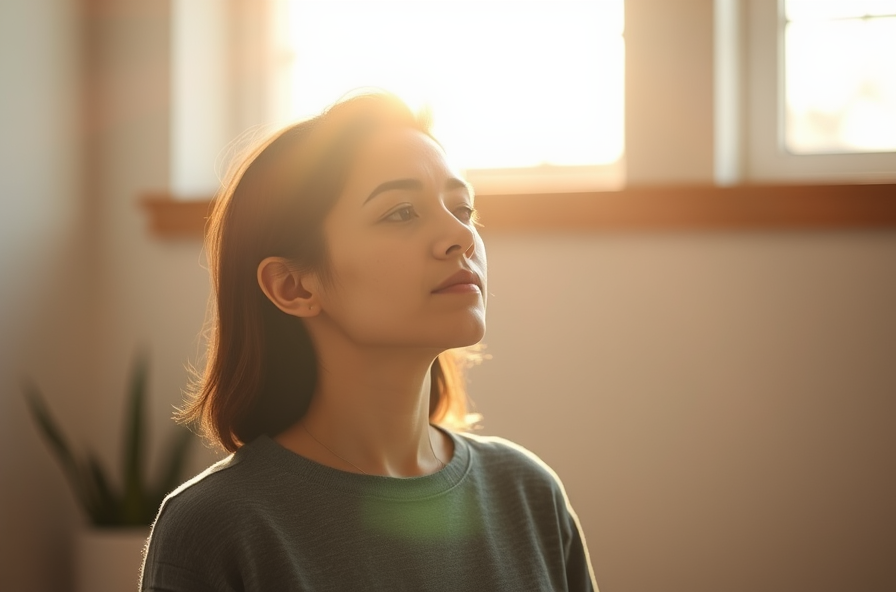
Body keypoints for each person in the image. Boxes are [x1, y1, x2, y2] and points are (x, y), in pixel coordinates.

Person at [140, 91, 598, 591]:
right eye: (401, 212)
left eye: (463, 209)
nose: (462, 237)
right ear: (293, 287)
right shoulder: (217, 528)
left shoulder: (529, 494)